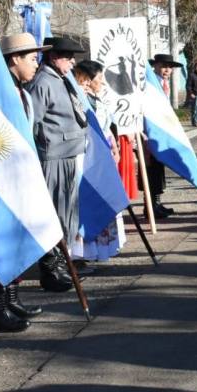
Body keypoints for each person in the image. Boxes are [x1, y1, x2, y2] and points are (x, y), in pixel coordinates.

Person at [0, 33, 50, 332]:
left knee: (16, 237)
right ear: (14, 59)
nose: (36, 63)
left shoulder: (22, 92)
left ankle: (11, 297)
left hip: (20, 177)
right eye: (32, 58)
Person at [27, 36, 88, 293]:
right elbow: (31, 122)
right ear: (53, 57)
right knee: (54, 213)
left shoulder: (61, 79)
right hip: (52, 157)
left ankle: (63, 263)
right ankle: (51, 269)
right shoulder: (42, 82)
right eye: (68, 57)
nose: (73, 62)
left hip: (69, 154)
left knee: (67, 214)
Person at [71, 60, 126, 266]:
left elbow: (107, 126)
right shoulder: (79, 100)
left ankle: (102, 249)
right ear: (84, 79)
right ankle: (83, 253)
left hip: (103, 158)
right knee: (89, 204)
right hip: (88, 159)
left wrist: (114, 146)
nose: (102, 82)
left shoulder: (97, 100)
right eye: (98, 78)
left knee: (105, 198)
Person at [142, 54, 184, 219]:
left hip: (162, 132)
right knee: (152, 170)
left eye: (170, 67)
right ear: (155, 66)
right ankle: (150, 206)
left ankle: (157, 203)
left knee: (159, 170)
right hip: (151, 131)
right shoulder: (150, 83)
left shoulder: (164, 84)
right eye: (164, 66)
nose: (167, 70)